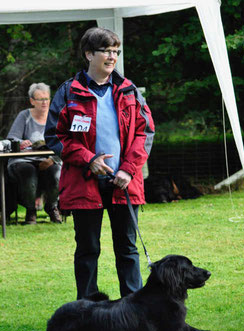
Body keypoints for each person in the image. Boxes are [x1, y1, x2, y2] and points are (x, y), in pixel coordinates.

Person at [45, 27, 155, 299]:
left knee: (128, 249)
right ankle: (86, 311)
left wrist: (129, 170)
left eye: (115, 51)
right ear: (89, 54)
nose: (112, 56)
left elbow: (145, 132)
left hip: (123, 182)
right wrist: (89, 160)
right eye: (106, 50)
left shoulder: (129, 90)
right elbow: (55, 136)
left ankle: (133, 311)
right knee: (87, 250)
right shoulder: (68, 92)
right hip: (84, 183)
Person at [7, 83, 62, 224]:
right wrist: (21, 142)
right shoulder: (24, 116)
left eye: (46, 99)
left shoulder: (55, 117)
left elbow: (64, 142)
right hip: (24, 160)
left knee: (57, 173)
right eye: (40, 99)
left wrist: (52, 159)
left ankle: (52, 207)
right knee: (28, 173)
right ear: (32, 101)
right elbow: (12, 138)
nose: (44, 103)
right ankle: (31, 211)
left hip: (49, 159)